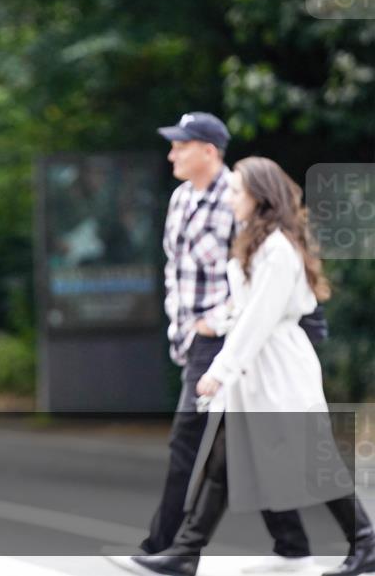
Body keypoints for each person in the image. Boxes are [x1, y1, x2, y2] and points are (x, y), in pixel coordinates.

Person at [123, 156, 375, 576]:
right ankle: (186, 553)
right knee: (222, 464)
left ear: (259, 197)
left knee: (315, 464)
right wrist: (215, 324)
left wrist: (219, 370)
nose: (231, 199)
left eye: (238, 191)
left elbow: (259, 319)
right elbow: (244, 307)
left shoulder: (277, 249)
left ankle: (366, 541)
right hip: (258, 373)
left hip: (280, 370)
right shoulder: (256, 241)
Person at [109, 113, 311, 573]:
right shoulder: (181, 197)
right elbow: (173, 267)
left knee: (188, 442)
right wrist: (180, 328)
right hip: (191, 339)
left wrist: (213, 324)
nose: (172, 154)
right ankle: (293, 543)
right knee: (238, 441)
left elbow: (254, 278)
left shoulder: (236, 200)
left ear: (209, 151)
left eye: (182, 146)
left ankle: (163, 548)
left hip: (222, 339)